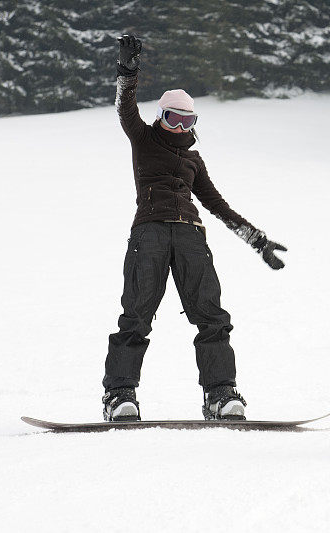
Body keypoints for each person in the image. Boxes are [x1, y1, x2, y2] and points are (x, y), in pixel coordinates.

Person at [102, 35, 287, 422]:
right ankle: (119, 395)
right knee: (136, 313)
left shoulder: (193, 159)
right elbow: (125, 109)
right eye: (174, 119)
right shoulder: (143, 138)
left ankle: (220, 394)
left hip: (190, 236)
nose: (180, 127)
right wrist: (127, 72)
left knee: (212, 316)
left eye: (187, 122)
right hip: (149, 232)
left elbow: (217, 205)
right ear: (161, 117)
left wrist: (258, 240)